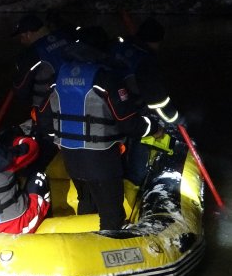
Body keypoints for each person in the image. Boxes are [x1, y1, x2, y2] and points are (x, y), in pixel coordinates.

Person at [36, 40, 162, 231]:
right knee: (111, 212)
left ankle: (85, 241)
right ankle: (108, 248)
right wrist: (153, 128)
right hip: (101, 158)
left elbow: (43, 117)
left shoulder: (58, 77)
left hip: (70, 156)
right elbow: (128, 122)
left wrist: (58, 138)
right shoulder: (105, 79)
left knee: (85, 200)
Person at [111, 16, 182, 185]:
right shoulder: (146, 61)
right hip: (131, 109)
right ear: (156, 41)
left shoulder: (121, 47)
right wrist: (175, 120)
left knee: (117, 145)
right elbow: (158, 101)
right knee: (140, 138)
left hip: (109, 105)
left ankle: (119, 175)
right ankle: (136, 181)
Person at [10, 13, 73, 173]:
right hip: (80, 101)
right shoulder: (66, 37)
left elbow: (21, 90)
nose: (22, 41)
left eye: (21, 37)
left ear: (28, 34)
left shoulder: (32, 54)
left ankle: (39, 183)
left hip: (49, 111)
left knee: (45, 150)